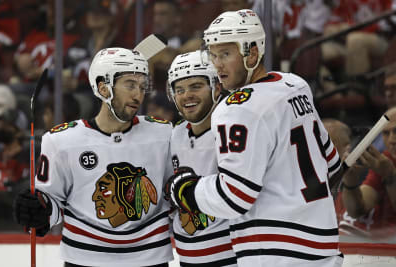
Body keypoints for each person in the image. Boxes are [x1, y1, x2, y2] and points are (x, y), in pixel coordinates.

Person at [166, 9, 344, 266]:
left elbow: (234, 197)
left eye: (226, 54)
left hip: (275, 252)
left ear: (252, 52)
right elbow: (332, 163)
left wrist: (187, 189)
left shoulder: (236, 108)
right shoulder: (295, 85)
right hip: (323, 248)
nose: (218, 65)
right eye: (213, 55)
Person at [13, 47, 174, 267]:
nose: (138, 94)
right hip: (83, 261)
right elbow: (52, 202)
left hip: (150, 260)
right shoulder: (61, 140)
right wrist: (38, 211)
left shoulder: (164, 134)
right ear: (103, 87)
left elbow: (172, 194)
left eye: (141, 86)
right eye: (130, 85)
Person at [166, 50, 237, 266]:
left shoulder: (234, 129)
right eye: (179, 89)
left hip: (232, 258)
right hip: (187, 258)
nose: (187, 95)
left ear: (216, 87)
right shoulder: (175, 135)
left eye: (196, 86)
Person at [341, 107, 396, 239]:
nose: (391, 140)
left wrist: (390, 177)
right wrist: (350, 183)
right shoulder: (386, 160)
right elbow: (357, 210)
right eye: (386, 133)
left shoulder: (386, 167)